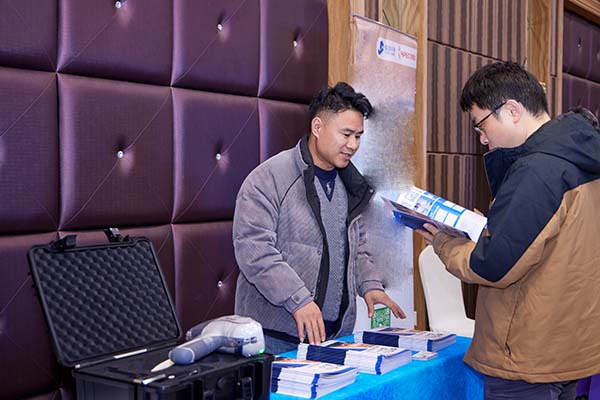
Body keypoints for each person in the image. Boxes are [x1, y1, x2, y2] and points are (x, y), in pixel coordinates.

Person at [417, 61, 600, 399]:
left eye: (481, 124)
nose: (482, 137)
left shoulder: (538, 171)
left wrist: (443, 242)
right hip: (570, 346)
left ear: (513, 110)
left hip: (529, 355)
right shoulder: (580, 155)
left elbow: (494, 264)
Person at [233, 82, 405, 355]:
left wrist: (370, 286)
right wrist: (298, 300)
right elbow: (254, 251)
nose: (353, 145)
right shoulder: (268, 178)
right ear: (317, 127)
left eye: (358, 136)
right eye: (346, 134)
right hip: (274, 338)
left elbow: (356, 250)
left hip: (334, 337)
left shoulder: (350, 185)